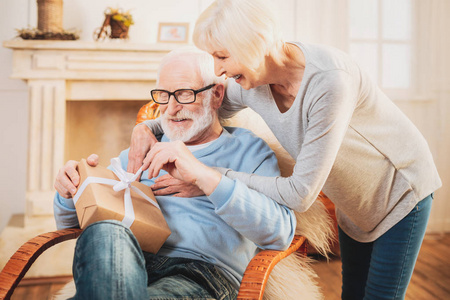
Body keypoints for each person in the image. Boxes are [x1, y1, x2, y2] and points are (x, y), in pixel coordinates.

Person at [127, 0, 442, 299]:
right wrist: (146, 128)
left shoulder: (330, 81)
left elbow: (301, 194)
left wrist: (209, 176)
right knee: (352, 296)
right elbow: (200, 110)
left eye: (221, 56)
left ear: (250, 43)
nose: (218, 70)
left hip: (399, 190)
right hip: (353, 197)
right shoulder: (249, 82)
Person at [53, 47, 296, 300]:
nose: (171, 108)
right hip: (126, 262)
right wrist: (70, 190)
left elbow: (280, 233)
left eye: (184, 94)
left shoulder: (248, 149)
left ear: (216, 94)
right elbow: (70, 225)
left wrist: (204, 176)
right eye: (163, 95)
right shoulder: (143, 147)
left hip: (202, 275)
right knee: (106, 231)